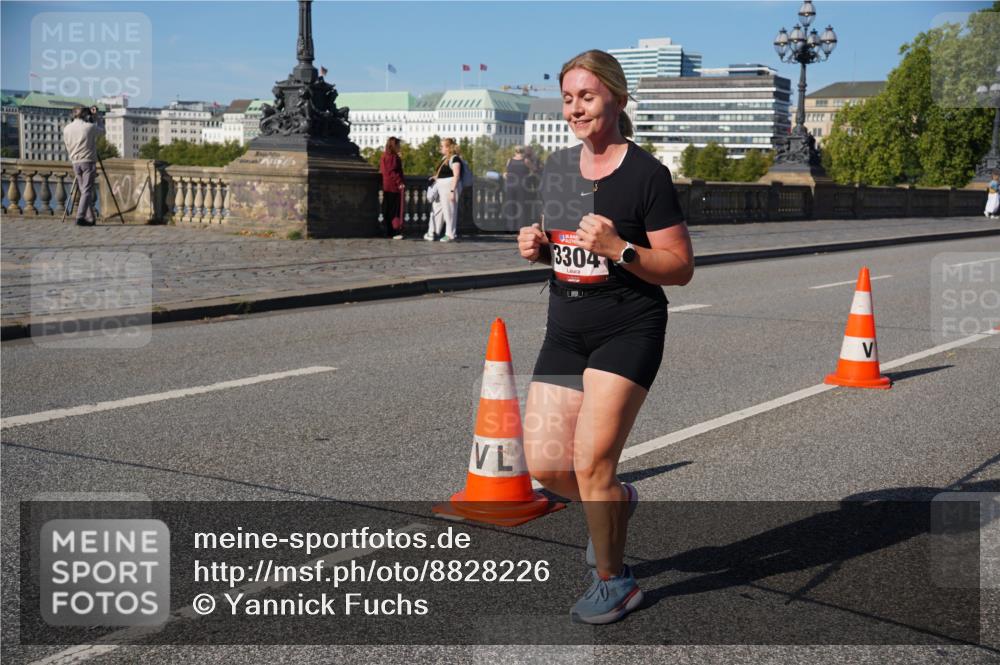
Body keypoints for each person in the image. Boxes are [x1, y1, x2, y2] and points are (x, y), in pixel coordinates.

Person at [517, 49, 694, 625]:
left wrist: (621, 249)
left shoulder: (647, 175)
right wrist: (540, 247)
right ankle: (615, 502)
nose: (575, 108)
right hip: (565, 329)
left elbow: (680, 267)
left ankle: (615, 581)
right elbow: (568, 248)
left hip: (628, 327)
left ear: (616, 98)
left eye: (587, 97)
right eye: (568, 98)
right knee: (547, 466)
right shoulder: (558, 169)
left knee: (592, 462)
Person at [62, 106, 105, 226]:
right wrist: (97, 118)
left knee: (83, 191)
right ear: (85, 115)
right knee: (86, 191)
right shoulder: (89, 127)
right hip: (88, 161)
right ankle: (80, 217)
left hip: (75, 162)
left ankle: (90, 218)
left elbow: (67, 144)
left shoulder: (67, 128)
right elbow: (103, 131)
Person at [425, 137, 463, 242]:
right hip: (441, 188)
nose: (440, 148)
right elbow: (443, 173)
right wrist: (435, 177)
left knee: (449, 211)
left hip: (449, 187)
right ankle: (434, 232)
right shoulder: (444, 158)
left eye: (442, 146)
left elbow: (456, 176)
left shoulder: (455, 159)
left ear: (448, 147)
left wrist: (452, 191)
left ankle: (450, 234)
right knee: (437, 210)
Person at [379, 136, 406, 239]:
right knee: (393, 210)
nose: (400, 147)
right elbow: (392, 171)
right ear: (394, 146)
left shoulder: (385, 156)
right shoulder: (392, 157)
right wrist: (400, 182)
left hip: (387, 185)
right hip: (393, 187)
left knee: (388, 209)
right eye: (398, 145)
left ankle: (389, 231)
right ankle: (393, 232)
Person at [503, 146, 531, 231]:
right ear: (523, 152)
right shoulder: (526, 161)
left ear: (515, 151)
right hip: (521, 186)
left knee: (510, 206)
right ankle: (520, 227)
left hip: (510, 186)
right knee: (521, 207)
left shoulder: (509, 160)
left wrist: (506, 176)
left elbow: (505, 173)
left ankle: (510, 227)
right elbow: (533, 171)